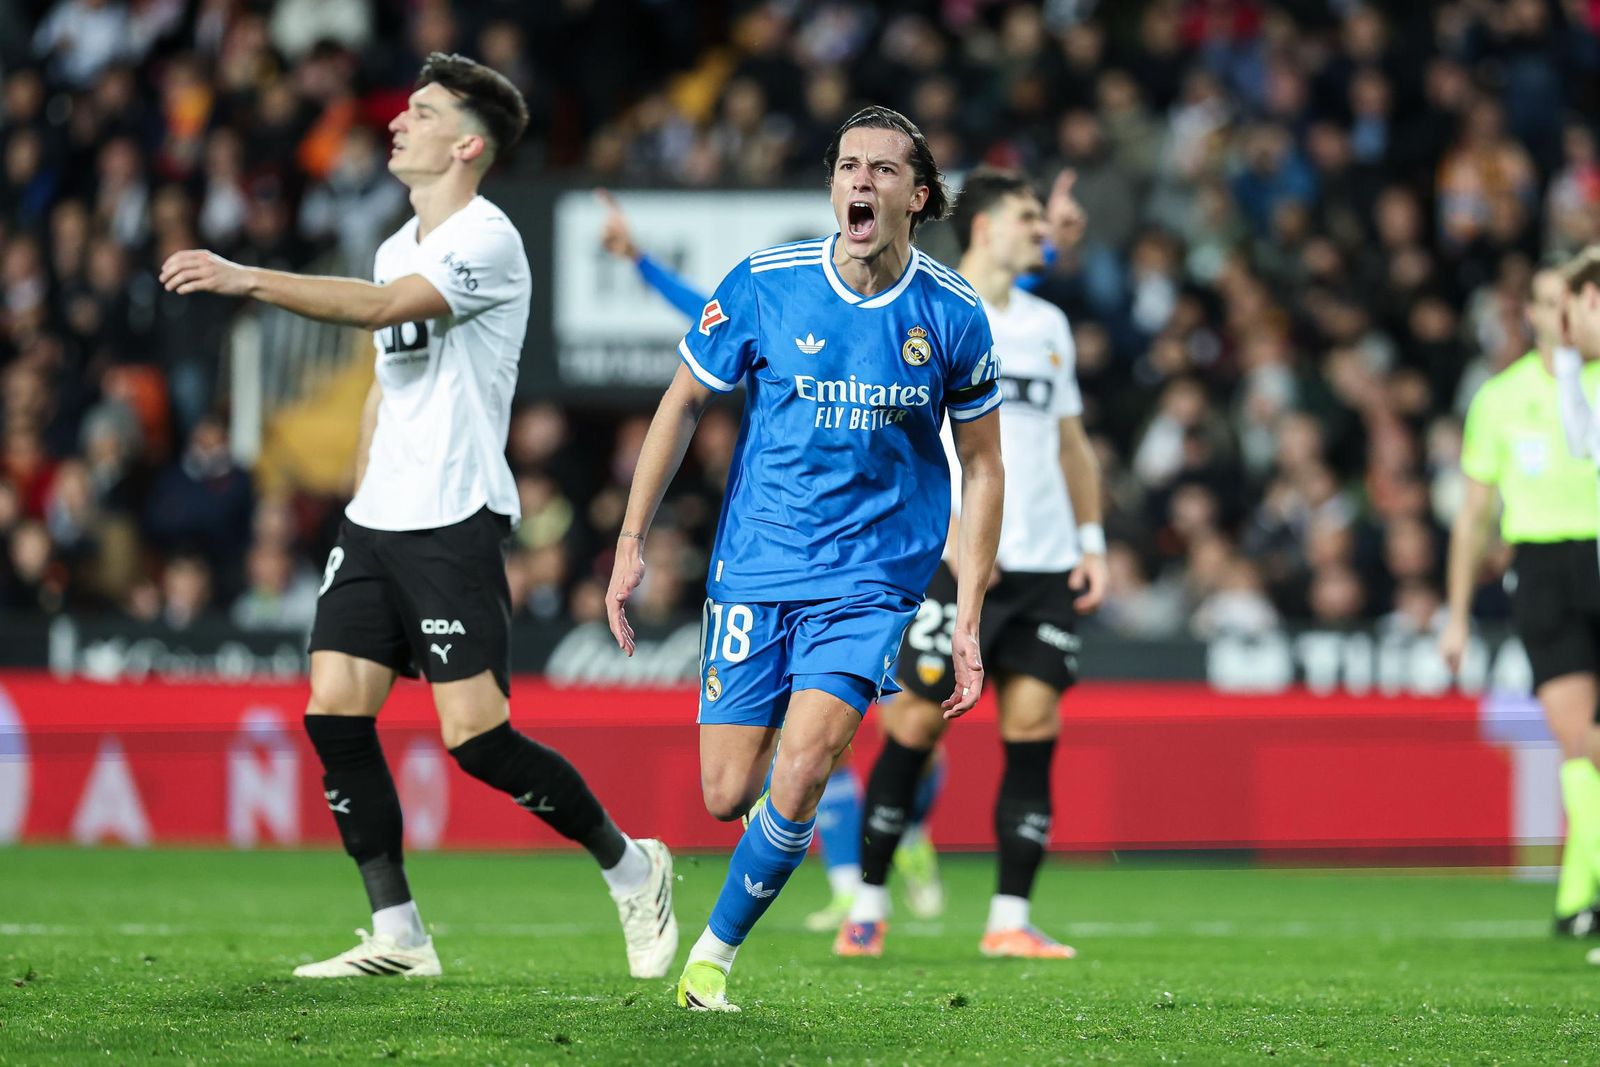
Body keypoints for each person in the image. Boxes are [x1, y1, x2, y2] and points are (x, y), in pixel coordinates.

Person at [161, 53, 676, 982]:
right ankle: (398, 931)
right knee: (333, 714)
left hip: (453, 516)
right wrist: (360, 498)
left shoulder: (488, 238)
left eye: (422, 112)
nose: (398, 122)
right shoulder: (395, 239)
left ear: (467, 143)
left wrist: (248, 277)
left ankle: (634, 868)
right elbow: (382, 385)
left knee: (477, 739)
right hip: (379, 519)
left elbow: (387, 311)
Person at [607, 105, 1005, 1012]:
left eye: (883, 170)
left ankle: (710, 958)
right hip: (757, 565)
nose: (860, 181)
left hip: (873, 579)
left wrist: (969, 613)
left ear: (920, 194)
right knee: (725, 792)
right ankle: (763, 843)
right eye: (847, 166)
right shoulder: (764, 283)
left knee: (807, 762)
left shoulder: (952, 314)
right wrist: (631, 541)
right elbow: (680, 406)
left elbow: (983, 466)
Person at [594, 187, 951, 930]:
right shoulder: (779, 295)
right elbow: (706, 321)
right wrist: (644, 264)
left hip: (892, 549)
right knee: (761, 776)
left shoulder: (944, 310)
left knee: (897, 725)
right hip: (777, 557)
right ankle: (873, 853)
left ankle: (877, 858)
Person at [836, 167, 1106, 961]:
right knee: (912, 724)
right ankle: (869, 902)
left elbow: (1071, 443)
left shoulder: (1049, 324)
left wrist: (1091, 543)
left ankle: (1009, 918)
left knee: (1034, 725)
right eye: (1029, 219)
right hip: (946, 559)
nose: (1043, 232)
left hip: (1043, 561)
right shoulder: (930, 310)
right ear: (986, 228)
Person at [1444, 264, 1600, 939]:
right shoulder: (1499, 400)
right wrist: (1454, 614)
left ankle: (1575, 897)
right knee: (1578, 739)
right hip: (1541, 566)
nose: (1556, 314)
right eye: (1544, 302)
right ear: (1530, 313)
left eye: (1569, 301)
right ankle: (1581, 897)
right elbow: (1474, 515)